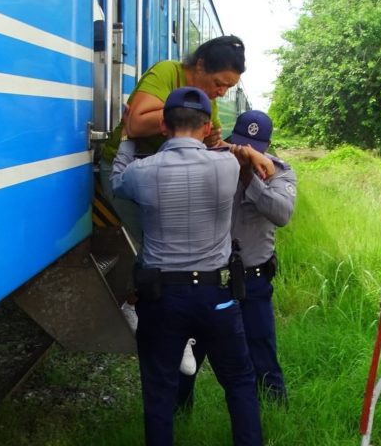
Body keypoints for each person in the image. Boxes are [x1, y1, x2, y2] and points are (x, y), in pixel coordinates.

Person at [111, 87, 265, 446]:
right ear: (208, 125)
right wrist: (235, 146)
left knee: (159, 390)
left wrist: (128, 137)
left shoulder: (141, 172)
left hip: (161, 299)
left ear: (163, 125)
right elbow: (235, 153)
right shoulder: (226, 165)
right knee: (239, 382)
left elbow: (117, 180)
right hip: (217, 296)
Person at [177, 110, 297, 408]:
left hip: (254, 283)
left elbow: (281, 214)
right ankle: (177, 417)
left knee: (262, 353)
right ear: (231, 138)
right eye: (241, 144)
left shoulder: (280, 172)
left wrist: (250, 180)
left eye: (255, 148)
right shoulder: (211, 162)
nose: (247, 152)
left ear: (267, 146)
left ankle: (274, 412)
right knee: (189, 354)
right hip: (208, 280)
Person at [99, 36, 268, 247]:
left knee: (167, 242)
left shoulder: (209, 100)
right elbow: (136, 124)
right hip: (125, 167)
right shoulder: (167, 73)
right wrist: (190, 119)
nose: (221, 93)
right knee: (154, 243)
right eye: (218, 83)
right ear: (200, 65)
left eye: (228, 87)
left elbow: (207, 140)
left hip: (163, 175)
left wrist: (211, 141)